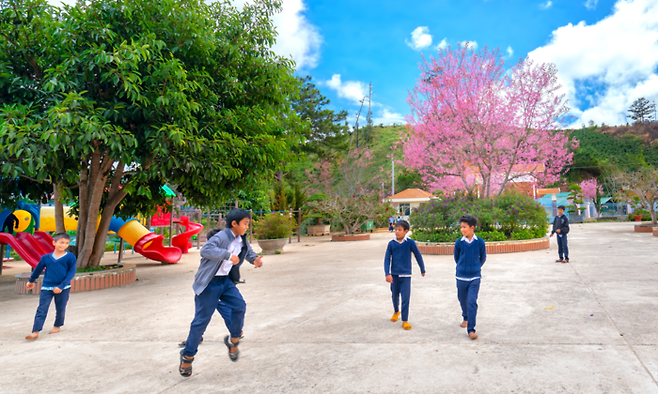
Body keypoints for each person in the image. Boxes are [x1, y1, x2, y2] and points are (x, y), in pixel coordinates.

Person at [179, 209, 263, 377]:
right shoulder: (221, 237)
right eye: (245, 223)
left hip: (225, 282)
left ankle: (233, 340)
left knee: (239, 307)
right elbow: (206, 250)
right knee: (201, 321)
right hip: (210, 284)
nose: (247, 226)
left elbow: (247, 251)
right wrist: (227, 255)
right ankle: (188, 356)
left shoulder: (241, 239)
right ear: (234, 224)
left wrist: (254, 259)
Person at [25, 233, 77, 340]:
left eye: (66, 243)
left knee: (60, 308)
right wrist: (31, 281)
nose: (64, 245)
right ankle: (35, 331)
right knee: (42, 308)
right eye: (61, 242)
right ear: (54, 243)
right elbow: (38, 270)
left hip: (63, 288)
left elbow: (71, 273)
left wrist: (61, 286)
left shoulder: (70, 257)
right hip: (47, 287)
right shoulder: (46, 258)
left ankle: (57, 326)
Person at [384, 220, 425, 330]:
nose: (397, 232)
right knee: (394, 295)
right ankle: (396, 311)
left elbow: (418, 255)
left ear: (406, 231)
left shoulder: (410, 243)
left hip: (406, 275)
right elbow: (387, 259)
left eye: (399, 230)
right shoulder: (391, 244)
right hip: (394, 275)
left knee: (406, 298)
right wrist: (387, 273)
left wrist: (422, 269)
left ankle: (405, 320)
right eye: (396, 229)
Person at [454, 215, 486, 340]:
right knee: (462, 299)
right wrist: (462, 267)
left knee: (472, 301)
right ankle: (465, 317)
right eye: (461, 227)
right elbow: (457, 258)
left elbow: (482, 258)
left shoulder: (480, 242)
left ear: (472, 228)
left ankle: (471, 329)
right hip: (461, 277)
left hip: (475, 277)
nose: (462, 230)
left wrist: (475, 267)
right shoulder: (459, 243)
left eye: (464, 227)